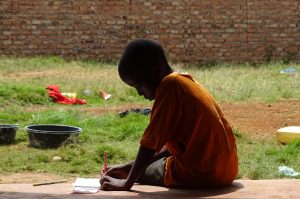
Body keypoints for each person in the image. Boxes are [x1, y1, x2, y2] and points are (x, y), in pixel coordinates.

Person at [100, 39, 238, 191]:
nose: (139, 93)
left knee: (145, 171)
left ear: (157, 71)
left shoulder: (169, 86)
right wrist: (126, 167)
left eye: (139, 85)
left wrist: (127, 182)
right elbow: (167, 147)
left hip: (203, 173)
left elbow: (150, 144)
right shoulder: (184, 81)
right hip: (226, 170)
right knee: (143, 166)